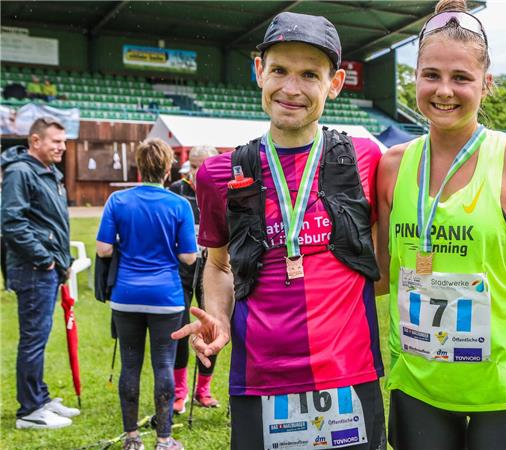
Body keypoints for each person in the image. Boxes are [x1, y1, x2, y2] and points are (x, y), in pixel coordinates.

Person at [171, 11, 386, 450]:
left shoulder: (366, 159)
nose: (291, 88)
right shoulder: (219, 174)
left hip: (350, 376)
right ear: (259, 72)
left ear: (336, 82)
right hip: (260, 381)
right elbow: (218, 266)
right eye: (279, 71)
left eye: (310, 74)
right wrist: (219, 319)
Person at [375, 1, 506, 448]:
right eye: (432, 75)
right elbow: (381, 277)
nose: (445, 90)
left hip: (502, 388)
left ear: (486, 84)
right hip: (418, 384)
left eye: (461, 78)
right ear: (415, 78)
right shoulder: (391, 166)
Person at [96, 138, 197, 450]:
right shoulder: (179, 204)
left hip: (126, 294)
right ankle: (164, 440)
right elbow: (189, 258)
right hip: (166, 296)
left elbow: (103, 249)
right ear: (168, 169)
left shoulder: (118, 200)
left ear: (139, 167)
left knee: (130, 365)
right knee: (164, 365)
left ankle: (132, 439)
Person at [2, 117, 79, 430]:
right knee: (33, 340)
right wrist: (45, 259)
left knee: (39, 338)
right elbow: (11, 223)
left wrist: (60, 260)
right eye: (55, 141)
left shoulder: (48, 172)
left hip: (48, 269)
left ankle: (41, 397)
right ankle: (30, 410)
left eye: (63, 141)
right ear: (35, 141)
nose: (61, 147)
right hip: (34, 271)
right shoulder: (21, 172)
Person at [168, 145, 220, 413]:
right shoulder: (176, 190)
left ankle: (204, 390)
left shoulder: (222, 188)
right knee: (179, 327)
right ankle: (180, 392)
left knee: (211, 328)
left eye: (204, 166)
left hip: (213, 268)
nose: (198, 172)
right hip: (182, 268)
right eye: (194, 166)